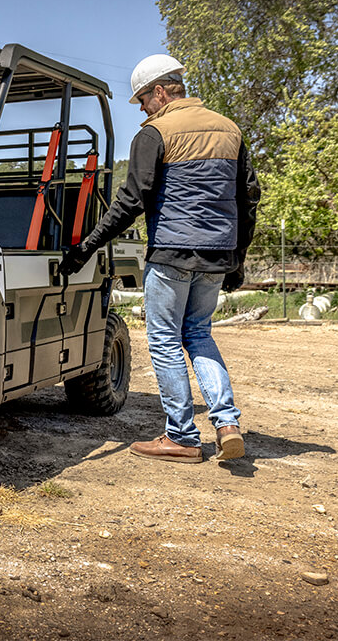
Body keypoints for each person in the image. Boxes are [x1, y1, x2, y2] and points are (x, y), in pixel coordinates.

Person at [60, 54, 260, 464]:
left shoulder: (155, 133)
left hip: (172, 252)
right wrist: (237, 259)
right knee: (199, 334)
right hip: (217, 253)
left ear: (160, 92)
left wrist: (86, 247)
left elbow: (131, 202)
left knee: (165, 339)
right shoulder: (230, 129)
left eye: (142, 101)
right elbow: (249, 198)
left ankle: (182, 437)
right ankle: (226, 424)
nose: (141, 110)